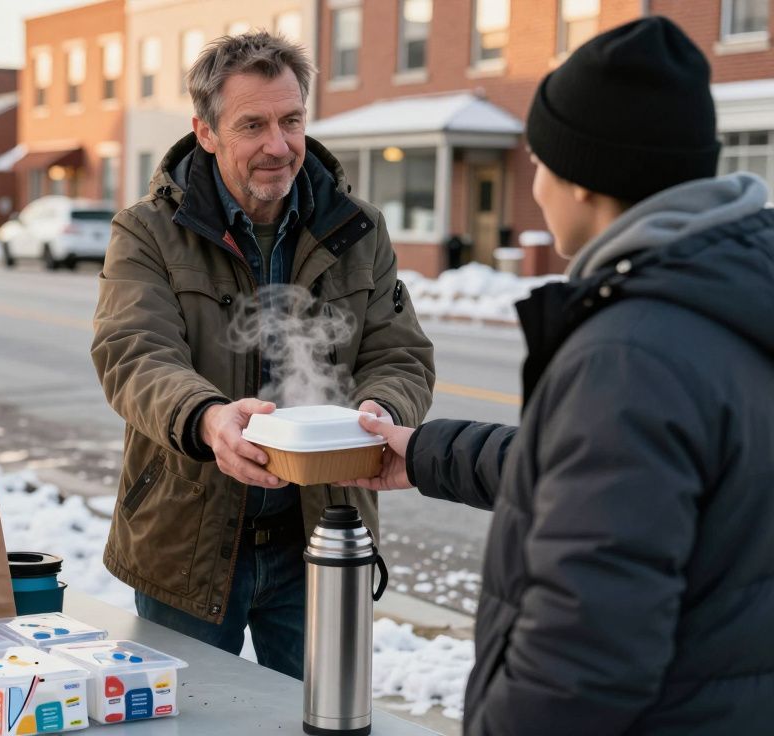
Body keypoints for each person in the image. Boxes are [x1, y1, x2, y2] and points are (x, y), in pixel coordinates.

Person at [345, 17, 773, 734]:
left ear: (582, 179)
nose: (534, 182)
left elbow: (579, 660)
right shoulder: (729, 297)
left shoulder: (634, 355)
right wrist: (423, 454)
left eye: (539, 161)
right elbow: (602, 479)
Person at [91, 31, 435, 678]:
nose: (279, 146)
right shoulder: (148, 231)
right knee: (187, 724)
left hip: (325, 534)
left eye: (291, 120)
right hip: (185, 544)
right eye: (252, 125)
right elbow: (132, 353)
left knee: (327, 716)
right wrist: (208, 418)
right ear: (206, 132)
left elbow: (402, 353)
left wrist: (378, 412)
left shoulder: (358, 226)